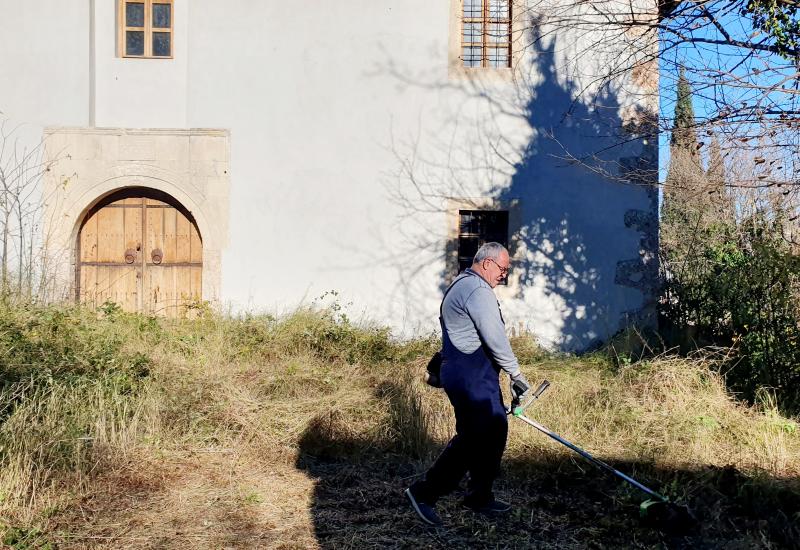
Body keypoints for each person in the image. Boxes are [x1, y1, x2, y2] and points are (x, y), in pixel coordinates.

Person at [405, 242, 531, 526]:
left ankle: (479, 496)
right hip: (469, 374)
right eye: (502, 268)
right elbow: (494, 335)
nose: (504, 275)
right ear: (486, 263)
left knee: (495, 430)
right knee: (474, 437)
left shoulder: (464, 285)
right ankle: (423, 493)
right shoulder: (476, 289)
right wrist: (516, 374)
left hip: (476, 374)